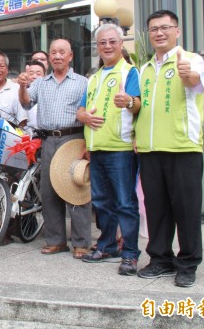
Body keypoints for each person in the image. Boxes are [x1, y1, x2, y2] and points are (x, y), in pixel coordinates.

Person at [135, 10, 204, 288]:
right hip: (151, 149)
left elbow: (194, 83)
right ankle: (160, 259)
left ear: (177, 31)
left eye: (165, 28)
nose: (159, 33)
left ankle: (188, 264)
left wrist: (187, 74)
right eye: (154, 29)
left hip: (183, 147)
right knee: (157, 209)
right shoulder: (145, 69)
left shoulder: (191, 60)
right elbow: (141, 107)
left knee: (186, 209)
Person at [76, 24, 141, 275]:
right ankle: (107, 245)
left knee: (125, 203)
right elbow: (81, 110)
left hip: (121, 148)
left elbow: (137, 106)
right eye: (102, 42)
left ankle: (130, 254)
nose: (107, 46)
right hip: (96, 147)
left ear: (121, 43)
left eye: (112, 41)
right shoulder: (93, 78)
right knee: (103, 202)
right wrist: (84, 117)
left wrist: (129, 102)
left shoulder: (129, 72)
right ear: (97, 47)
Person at [18, 39, 91, 259]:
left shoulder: (82, 82)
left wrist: (89, 144)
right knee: (49, 192)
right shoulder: (41, 83)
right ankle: (56, 240)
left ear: (70, 56)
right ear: (49, 58)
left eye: (62, 52)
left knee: (76, 189)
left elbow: (89, 113)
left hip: (74, 138)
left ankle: (81, 242)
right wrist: (22, 86)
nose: (57, 56)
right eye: (53, 52)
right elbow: (26, 103)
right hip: (48, 140)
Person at [23, 60, 46, 128]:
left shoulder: (49, 94)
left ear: (45, 76)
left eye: (38, 74)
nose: (34, 77)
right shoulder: (20, 92)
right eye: (31, 73)